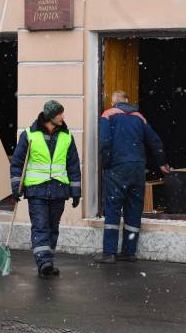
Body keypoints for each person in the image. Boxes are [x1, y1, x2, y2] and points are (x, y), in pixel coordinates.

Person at [95, 90, 170, 264]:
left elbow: (104, 142)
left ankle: (109, 253)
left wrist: (107, 164)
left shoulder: (108, 114)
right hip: (137, 167)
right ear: (128, 102)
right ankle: (129, 252)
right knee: (134, 208)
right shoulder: (140, 117)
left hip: (118, 167)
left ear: (114, 102)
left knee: (113, 207)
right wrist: (161, 162)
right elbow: (155, 141)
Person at [10, 100, 81, 277]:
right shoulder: (29, 135)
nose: (63, 117)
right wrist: (16, 187)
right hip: (37, 190)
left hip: (58, 190)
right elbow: (17, 163)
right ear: (51, 116)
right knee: (41, 226)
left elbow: (73, 165)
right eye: (60, 114)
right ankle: (44, 262)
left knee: (52, 227)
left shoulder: (66, 136)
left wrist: (76, 192)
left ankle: (48, 259)